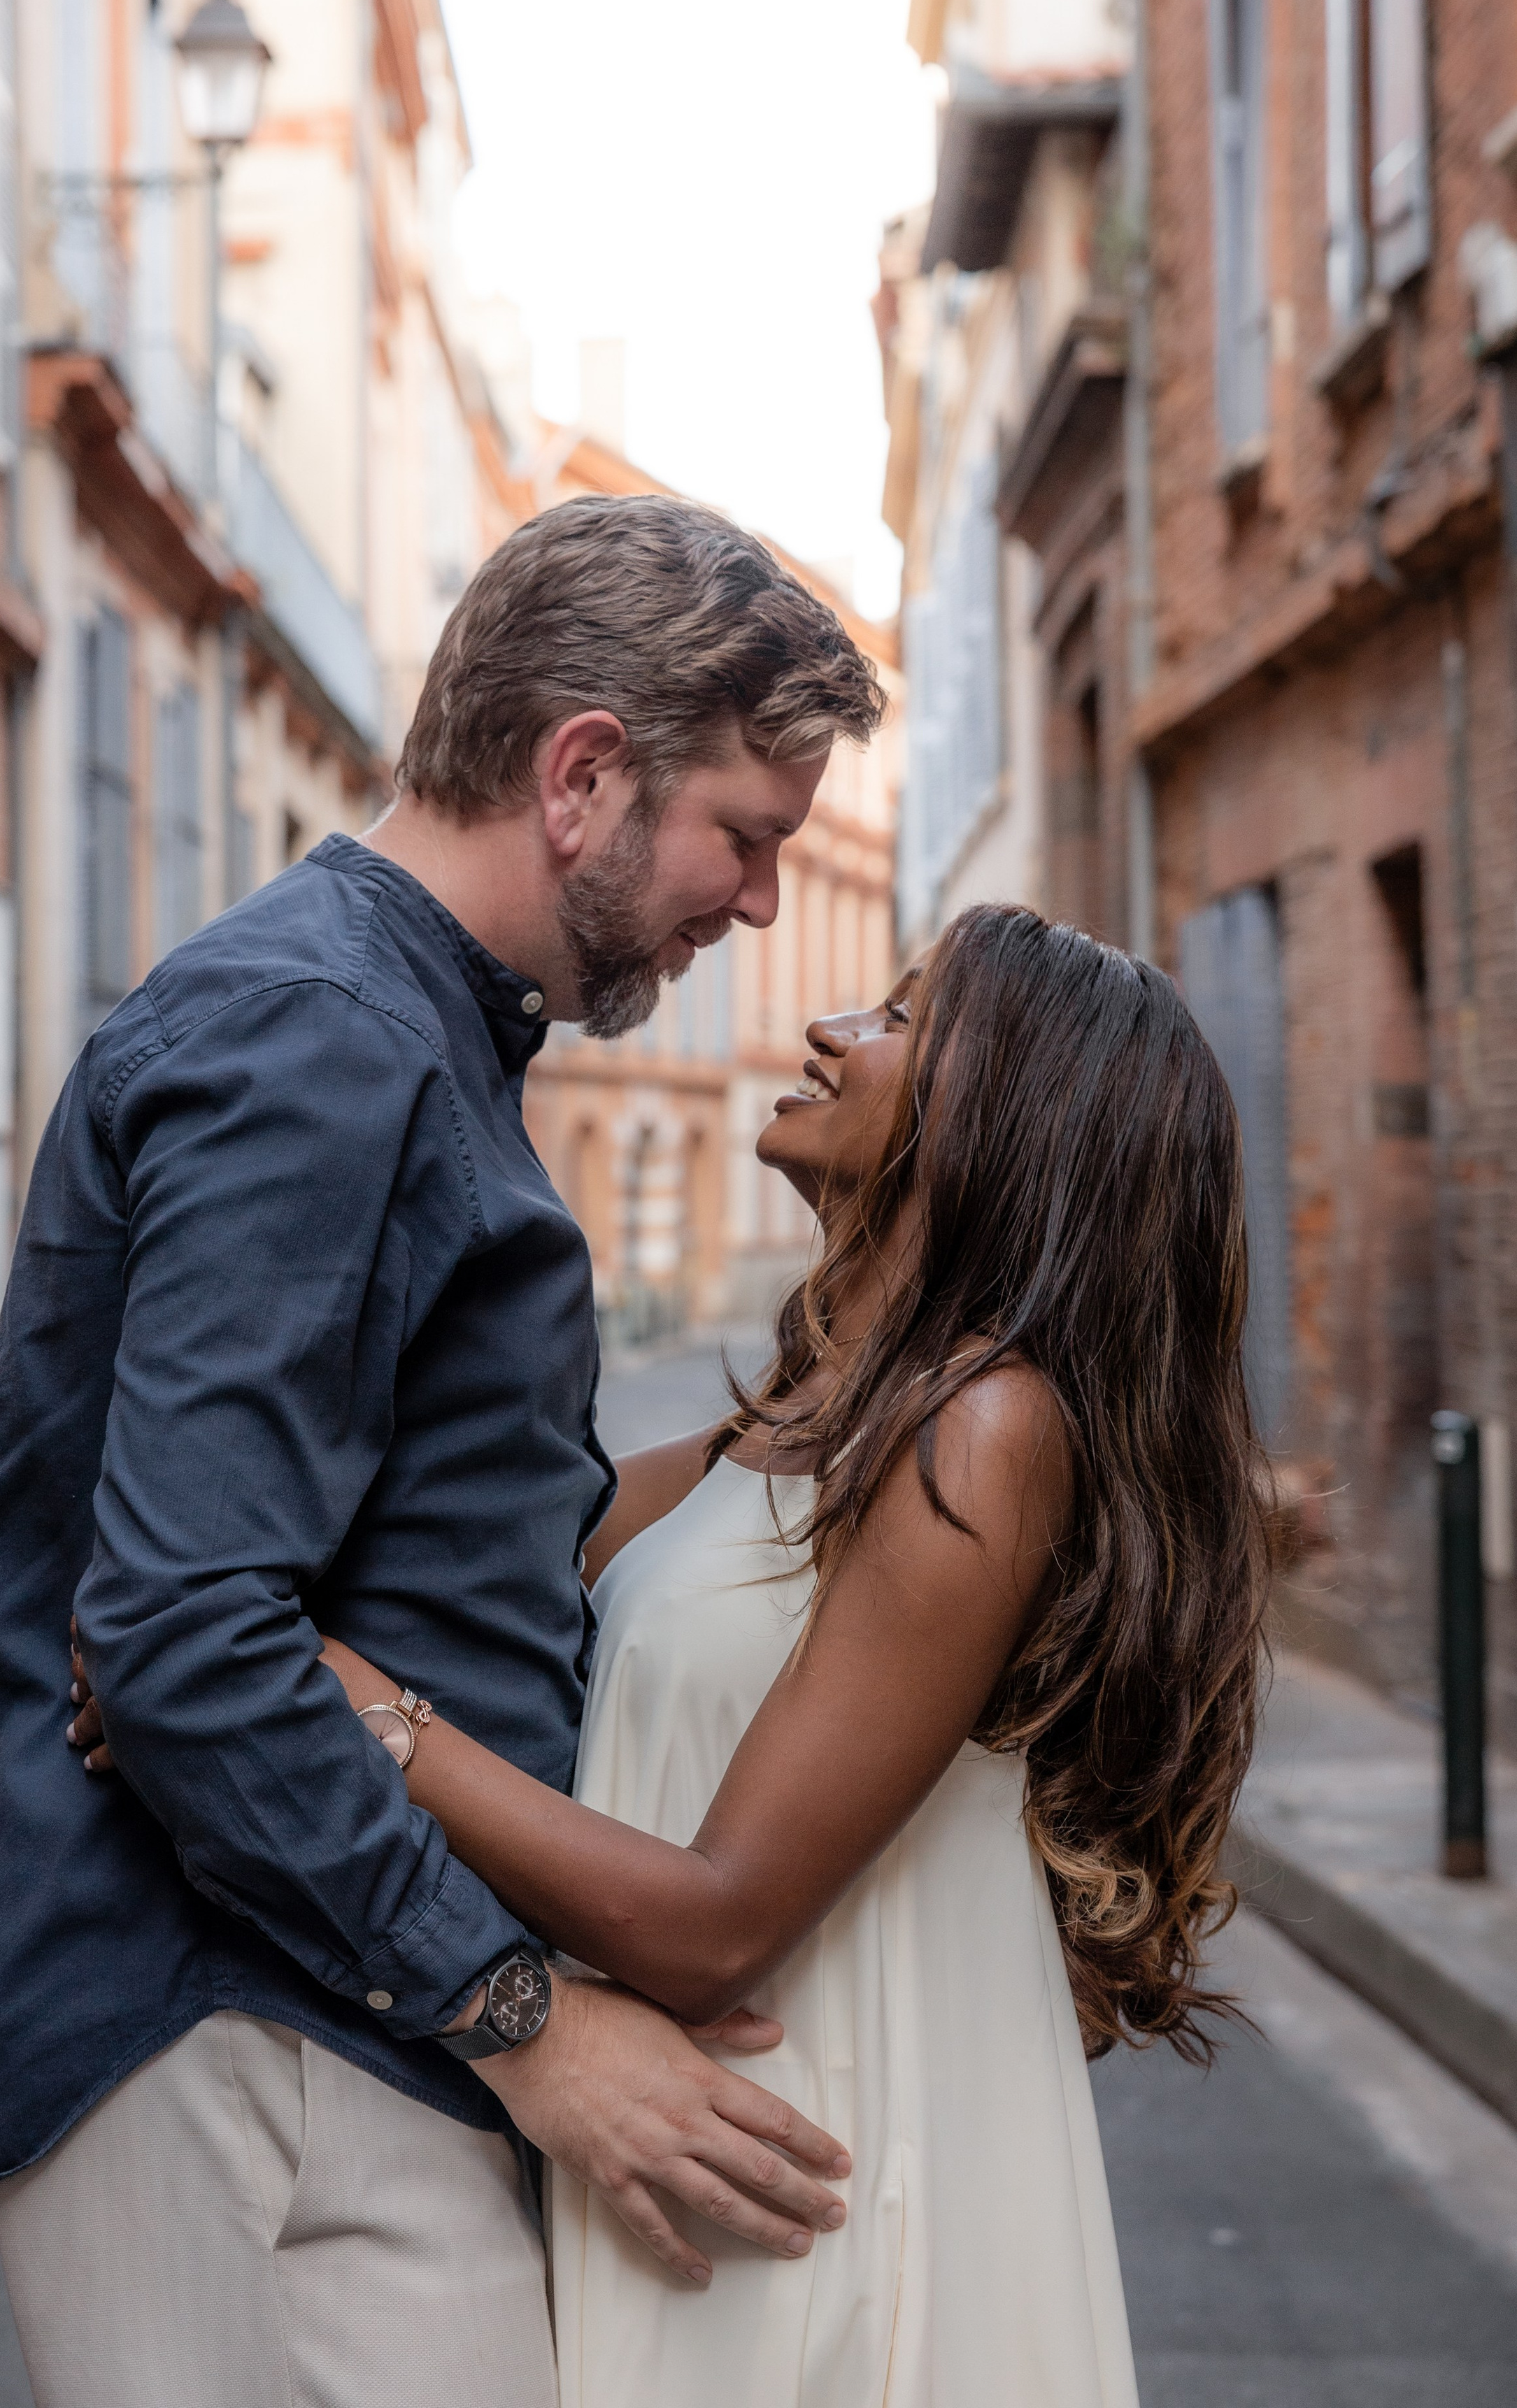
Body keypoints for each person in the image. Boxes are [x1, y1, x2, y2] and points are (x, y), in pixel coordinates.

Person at [0, 494, 885, 2408]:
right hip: (233, 2021)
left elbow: (439, 1540)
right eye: (745, 841)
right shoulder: (322, 1040)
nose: (763, 906)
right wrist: (524, 2019)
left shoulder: (402, 1028)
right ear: (584, 776)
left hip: (323, 2013)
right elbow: (188, 1636)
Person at [125, 905, 1274, 2404]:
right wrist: (205, 1642)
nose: (830, 1031)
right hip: (691, 2135)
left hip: (801, 2164)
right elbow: (500, 1577)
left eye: (902, 1018)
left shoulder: (982, 1433)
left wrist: (356, 1711)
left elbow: (715, 1923)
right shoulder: (799, 1422)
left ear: (1013, 1117)